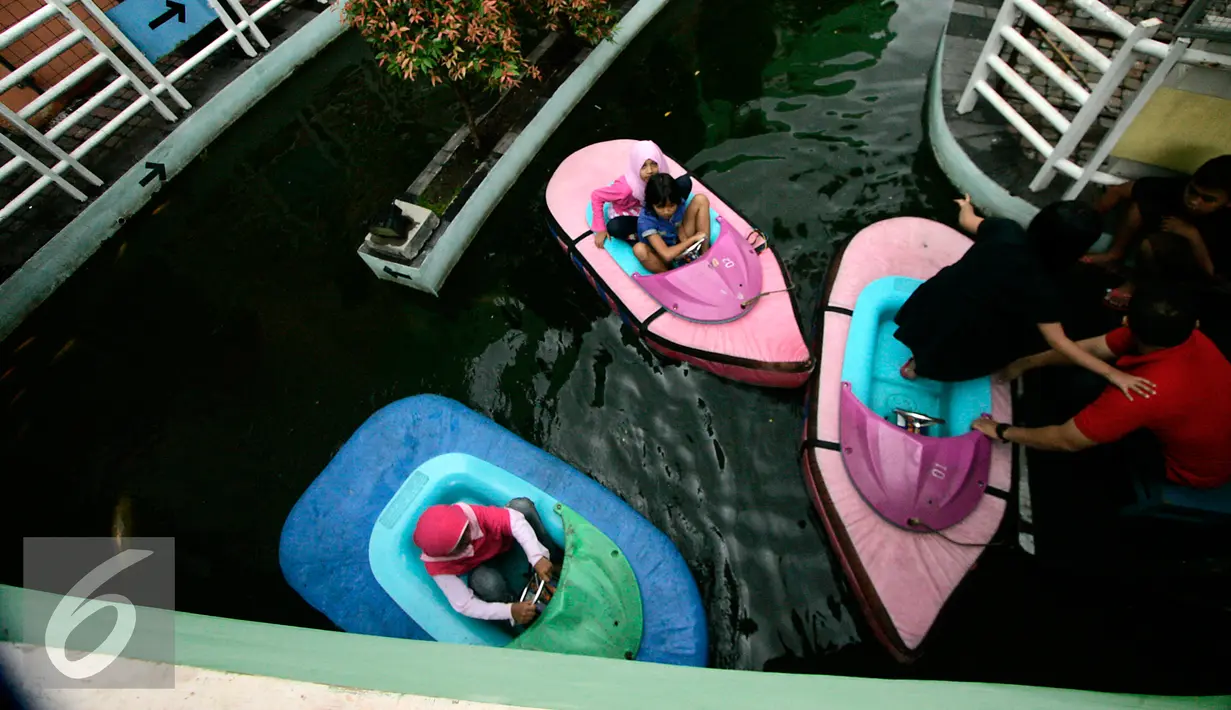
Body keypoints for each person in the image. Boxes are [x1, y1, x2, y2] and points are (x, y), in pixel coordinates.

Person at [893, 195, 1156, 400]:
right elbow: (1061, 343)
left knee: (932, 331)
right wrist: (1114, 374)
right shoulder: (1047, 289)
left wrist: (966, 205)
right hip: (973, 331)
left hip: (939, 300)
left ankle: (914, 365)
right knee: (954, 344)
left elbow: (967, 221)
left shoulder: (1005, 231)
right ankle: (920, 368)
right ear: (1076, 250)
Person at [974, 284, 1231, 489]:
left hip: (1196, 471)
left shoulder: (1142, 394)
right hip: (1206, 428)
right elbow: (1091, 349)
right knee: (1085, 383)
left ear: (1126, 321)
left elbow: (1066, 440)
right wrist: (1025, 363)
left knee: (1089, 417)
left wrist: (1002, 430)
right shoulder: (1184, 333)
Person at [1084, 155, 1231, 309]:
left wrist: (1193, 236)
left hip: (1196, 276)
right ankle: (1114, 255)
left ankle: (1135, 286)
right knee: (1140, 205)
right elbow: (1121, 190)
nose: (1194, 201)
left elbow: (1212, 275)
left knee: (1153, 244)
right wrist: (1083, 218)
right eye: (1192, 191)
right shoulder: (1178, 188)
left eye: (1207, 199)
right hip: (1166, 248)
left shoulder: (1226, 225)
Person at [413, 498, 560, 625]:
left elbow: (513, 519)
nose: (468, 539)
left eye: (466, 530)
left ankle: (552, 562)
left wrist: (537, 556)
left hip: (504, 542)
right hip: (480, 566)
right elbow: (465, 604)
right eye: (459, 543)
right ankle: (520, 608)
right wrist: (509, 611)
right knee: (486, 583)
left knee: (521, 507)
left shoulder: (470, 514)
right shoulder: (437, 566)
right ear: (445, 554)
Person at [589, 140, 695, 249]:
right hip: (635, 213)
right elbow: (596, 196)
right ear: (636, 166)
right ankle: (651, 233)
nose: (650, 171)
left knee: (685, 182)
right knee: (615, 227)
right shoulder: (625, 189)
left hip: (657, 204)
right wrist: (600, 228)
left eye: (654, 164)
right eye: (643, 166)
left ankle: (668, 220)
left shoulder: (661, 176)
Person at [632, 172, 711, 273]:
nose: (666, 211)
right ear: (651, 204)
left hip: (676, 238)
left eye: (671, 206)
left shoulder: (676, 201)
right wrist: (692, 240)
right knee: (639, 249)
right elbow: (666, 254)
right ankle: (669, 274)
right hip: (661, 254)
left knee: (701, 199)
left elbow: (679, 224)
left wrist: (685, 243)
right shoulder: (646, 221)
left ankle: (705, 255)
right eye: (660, 207)